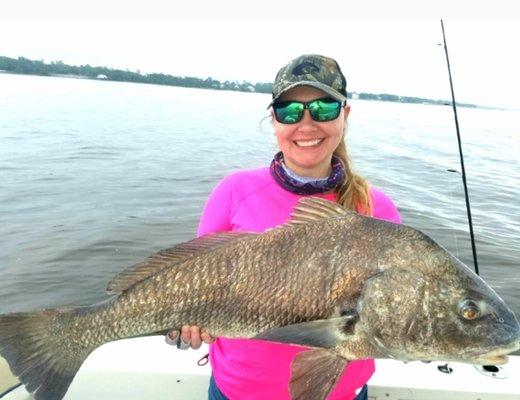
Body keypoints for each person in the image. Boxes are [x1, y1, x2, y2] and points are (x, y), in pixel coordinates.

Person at [166, 54, 401, 400]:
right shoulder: (233, 190)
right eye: (290, 111)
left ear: (345, 114)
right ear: (273, 120)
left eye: (323, 108)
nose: (306, 124)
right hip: (236, 392)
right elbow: (194, 281)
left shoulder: (376, 209)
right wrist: (183, 329)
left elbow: (387, 316)